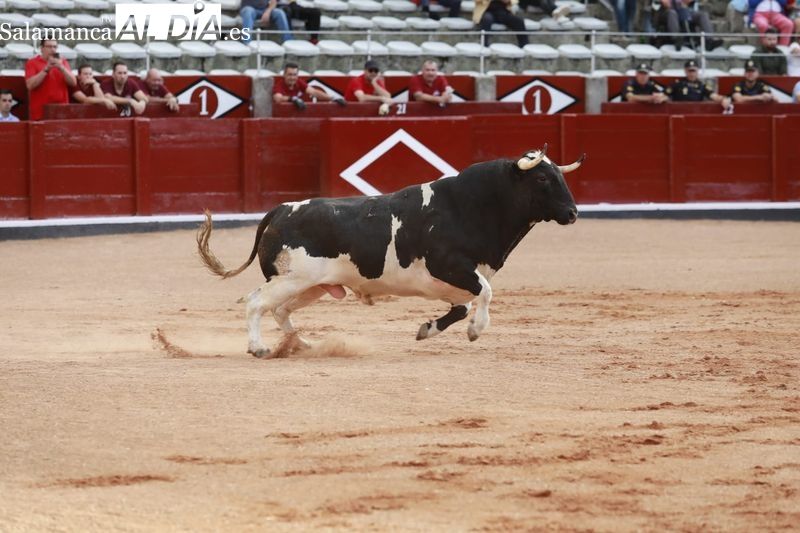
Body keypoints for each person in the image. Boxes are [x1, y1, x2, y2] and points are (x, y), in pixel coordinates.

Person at [24, 39, 77, 121]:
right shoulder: (32, 63)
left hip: (61, 110)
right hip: (40, 112)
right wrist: (46, 69)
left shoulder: (63, 62)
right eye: (49, 46)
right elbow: (30, 85)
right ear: (41, 48)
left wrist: (61, 67)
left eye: (55, 47)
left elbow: (73, 83)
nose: (53, 49)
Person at [654, 0, 723, 51]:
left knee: (702, 15)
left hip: (683, 10)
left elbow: (688, 2)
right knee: (672, 13)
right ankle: (676, 38)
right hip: (665, 12)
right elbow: (665, 4)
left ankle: (709, 40)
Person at [666, 60, 733, 111]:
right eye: (690, 71)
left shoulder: (702, 86)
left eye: (694, 71)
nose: (692, 74)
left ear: (697, 71)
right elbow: (665, 95)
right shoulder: (677, 84)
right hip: (679, 111)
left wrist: (723, 99)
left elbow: (714, 96)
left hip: (696, 113)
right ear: (685, 71)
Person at [273, 62, 346, 108]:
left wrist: (332, 98)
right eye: (290, 75)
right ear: (284, 75)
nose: (292, 78)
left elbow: (314, 92)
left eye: (294, 75)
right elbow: (278, 98)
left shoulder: (298, 82)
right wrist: (292, 99)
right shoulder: (279, 85)